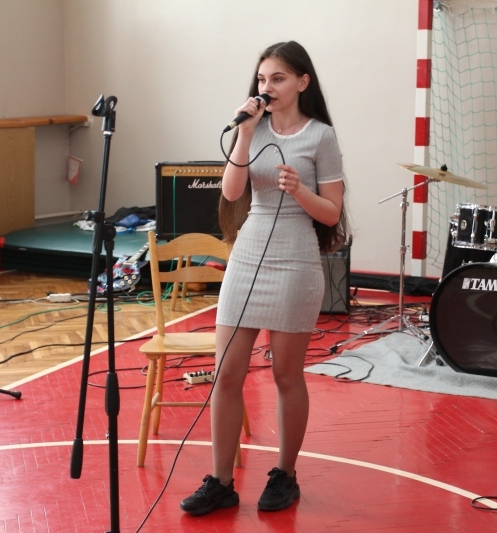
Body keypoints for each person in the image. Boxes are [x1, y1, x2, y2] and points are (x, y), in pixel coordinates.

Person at [180, 41, 349, 516]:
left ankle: (285, 475)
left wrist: (300, 192)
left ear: (301, 82)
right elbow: (232, 192)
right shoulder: (251, 128)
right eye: (261, 79)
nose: (267, 86)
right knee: (226, 374)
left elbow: (331, 213)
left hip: (296, 259)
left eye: (277, 78)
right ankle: (220, 481)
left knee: (285, 374)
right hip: (249, 253)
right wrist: (245, 133)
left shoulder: (321, 137)